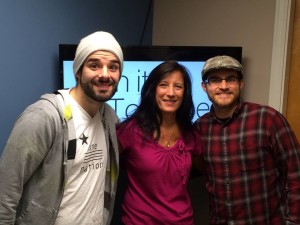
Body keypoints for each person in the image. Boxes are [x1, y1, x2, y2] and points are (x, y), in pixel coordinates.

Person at [0, 31, 123, 225]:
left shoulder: (109, 119)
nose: (105, 74)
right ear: (78, 71)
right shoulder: (43, 117)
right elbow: (5, 190)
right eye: (94, 65)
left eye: (113, 67)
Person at [194, 55, 300, 225]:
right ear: (204, 87)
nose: (223, 86)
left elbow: (295, 172)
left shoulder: (267, 118)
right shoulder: (199, 128)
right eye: (214, 80)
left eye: (231, 79)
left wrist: (293, 220)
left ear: (241, 84)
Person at [116, 60, 202, 225]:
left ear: (185, 93)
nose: (171, 93)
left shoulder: (191, 135)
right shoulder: (130, 130)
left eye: (178, 86)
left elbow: (211, 172)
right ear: (152, 89)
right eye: (163, 85)